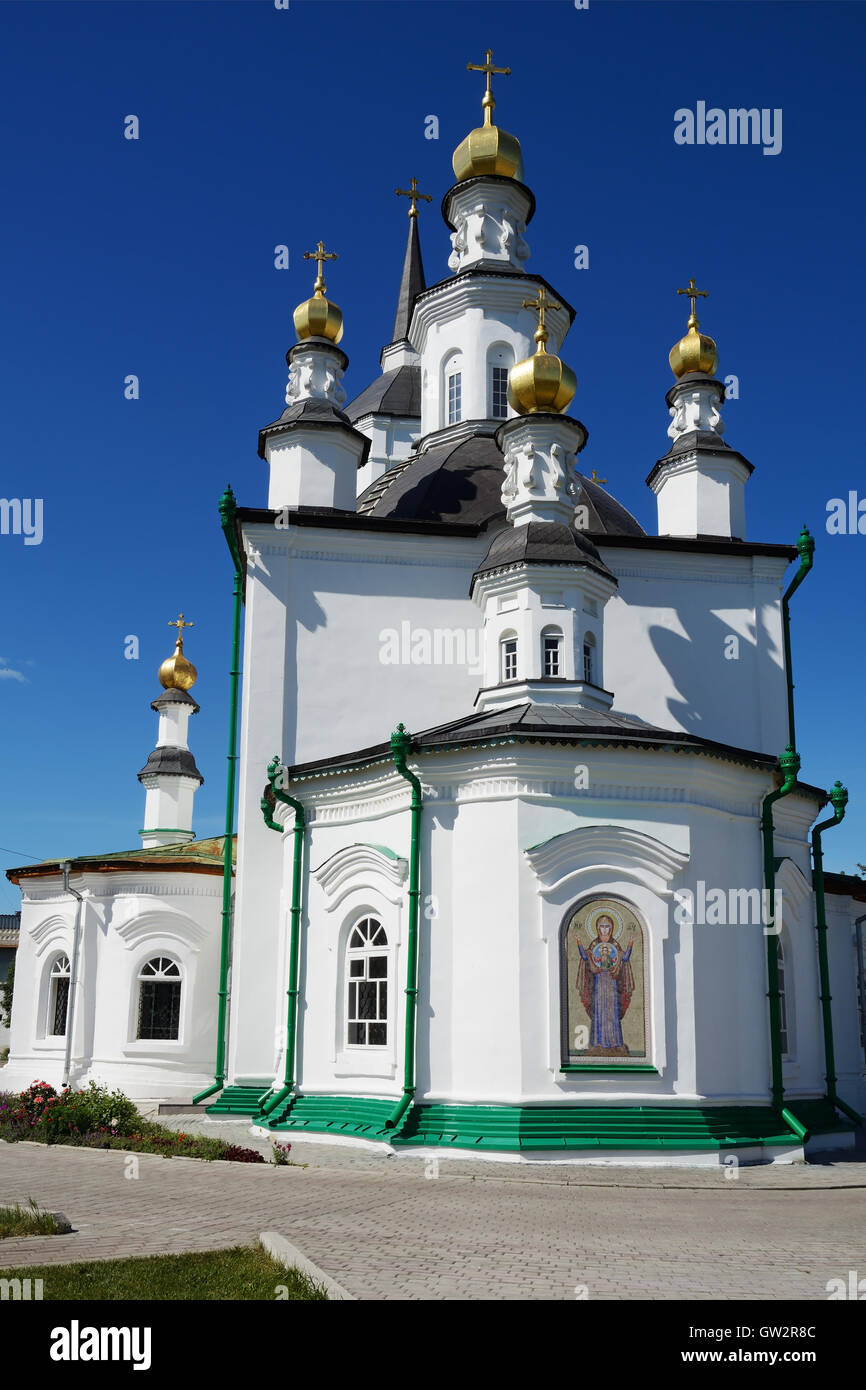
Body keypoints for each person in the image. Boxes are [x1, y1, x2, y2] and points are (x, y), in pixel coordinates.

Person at [576, 914, 635, 1055]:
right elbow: (585, 956)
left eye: (607, 926)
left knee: (611, 1011)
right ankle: (597, 1043)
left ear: (612, 928)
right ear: (597, 928)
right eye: (601, 926)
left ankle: (615, 1043)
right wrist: (578, 943)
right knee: (599, 1010)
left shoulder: (614, 945)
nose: (604, 929)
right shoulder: (594, 945)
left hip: (612, 982)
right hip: (598, 982)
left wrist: (630, 945)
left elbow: (624, 957)